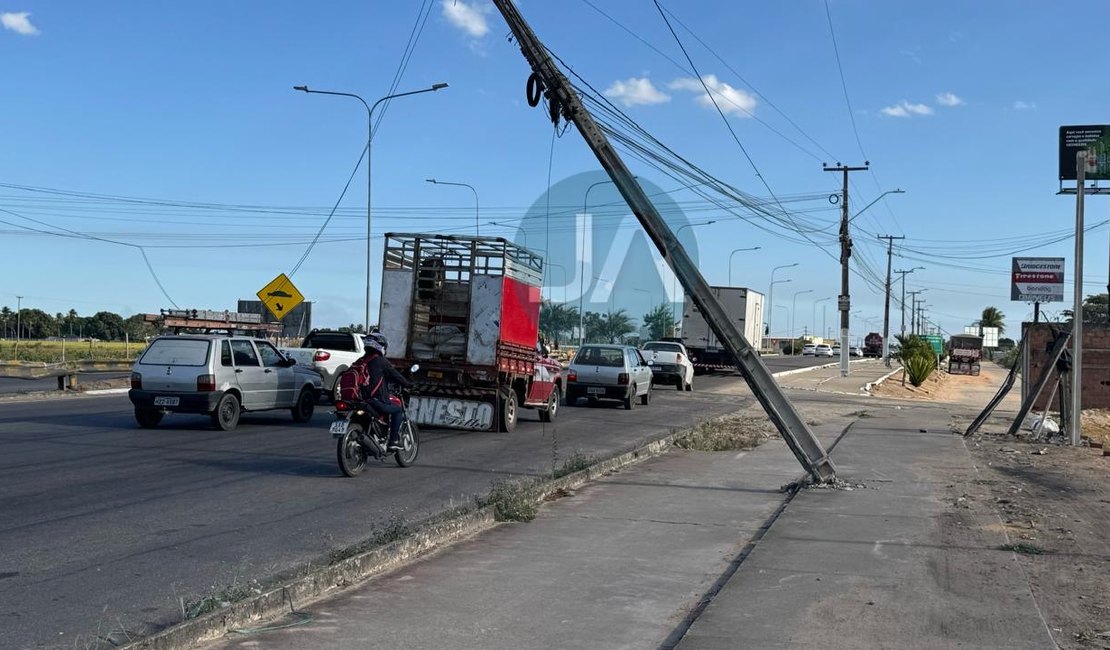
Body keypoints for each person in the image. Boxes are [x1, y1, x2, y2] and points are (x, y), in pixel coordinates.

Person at [359, 335, 411, 451]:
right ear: (381, 347)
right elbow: (396, 376)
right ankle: (393, 441)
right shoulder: (381, 361)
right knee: (398, 410)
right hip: (375, 400)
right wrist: (408, 385)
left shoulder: (361, 361)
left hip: (359, 400)